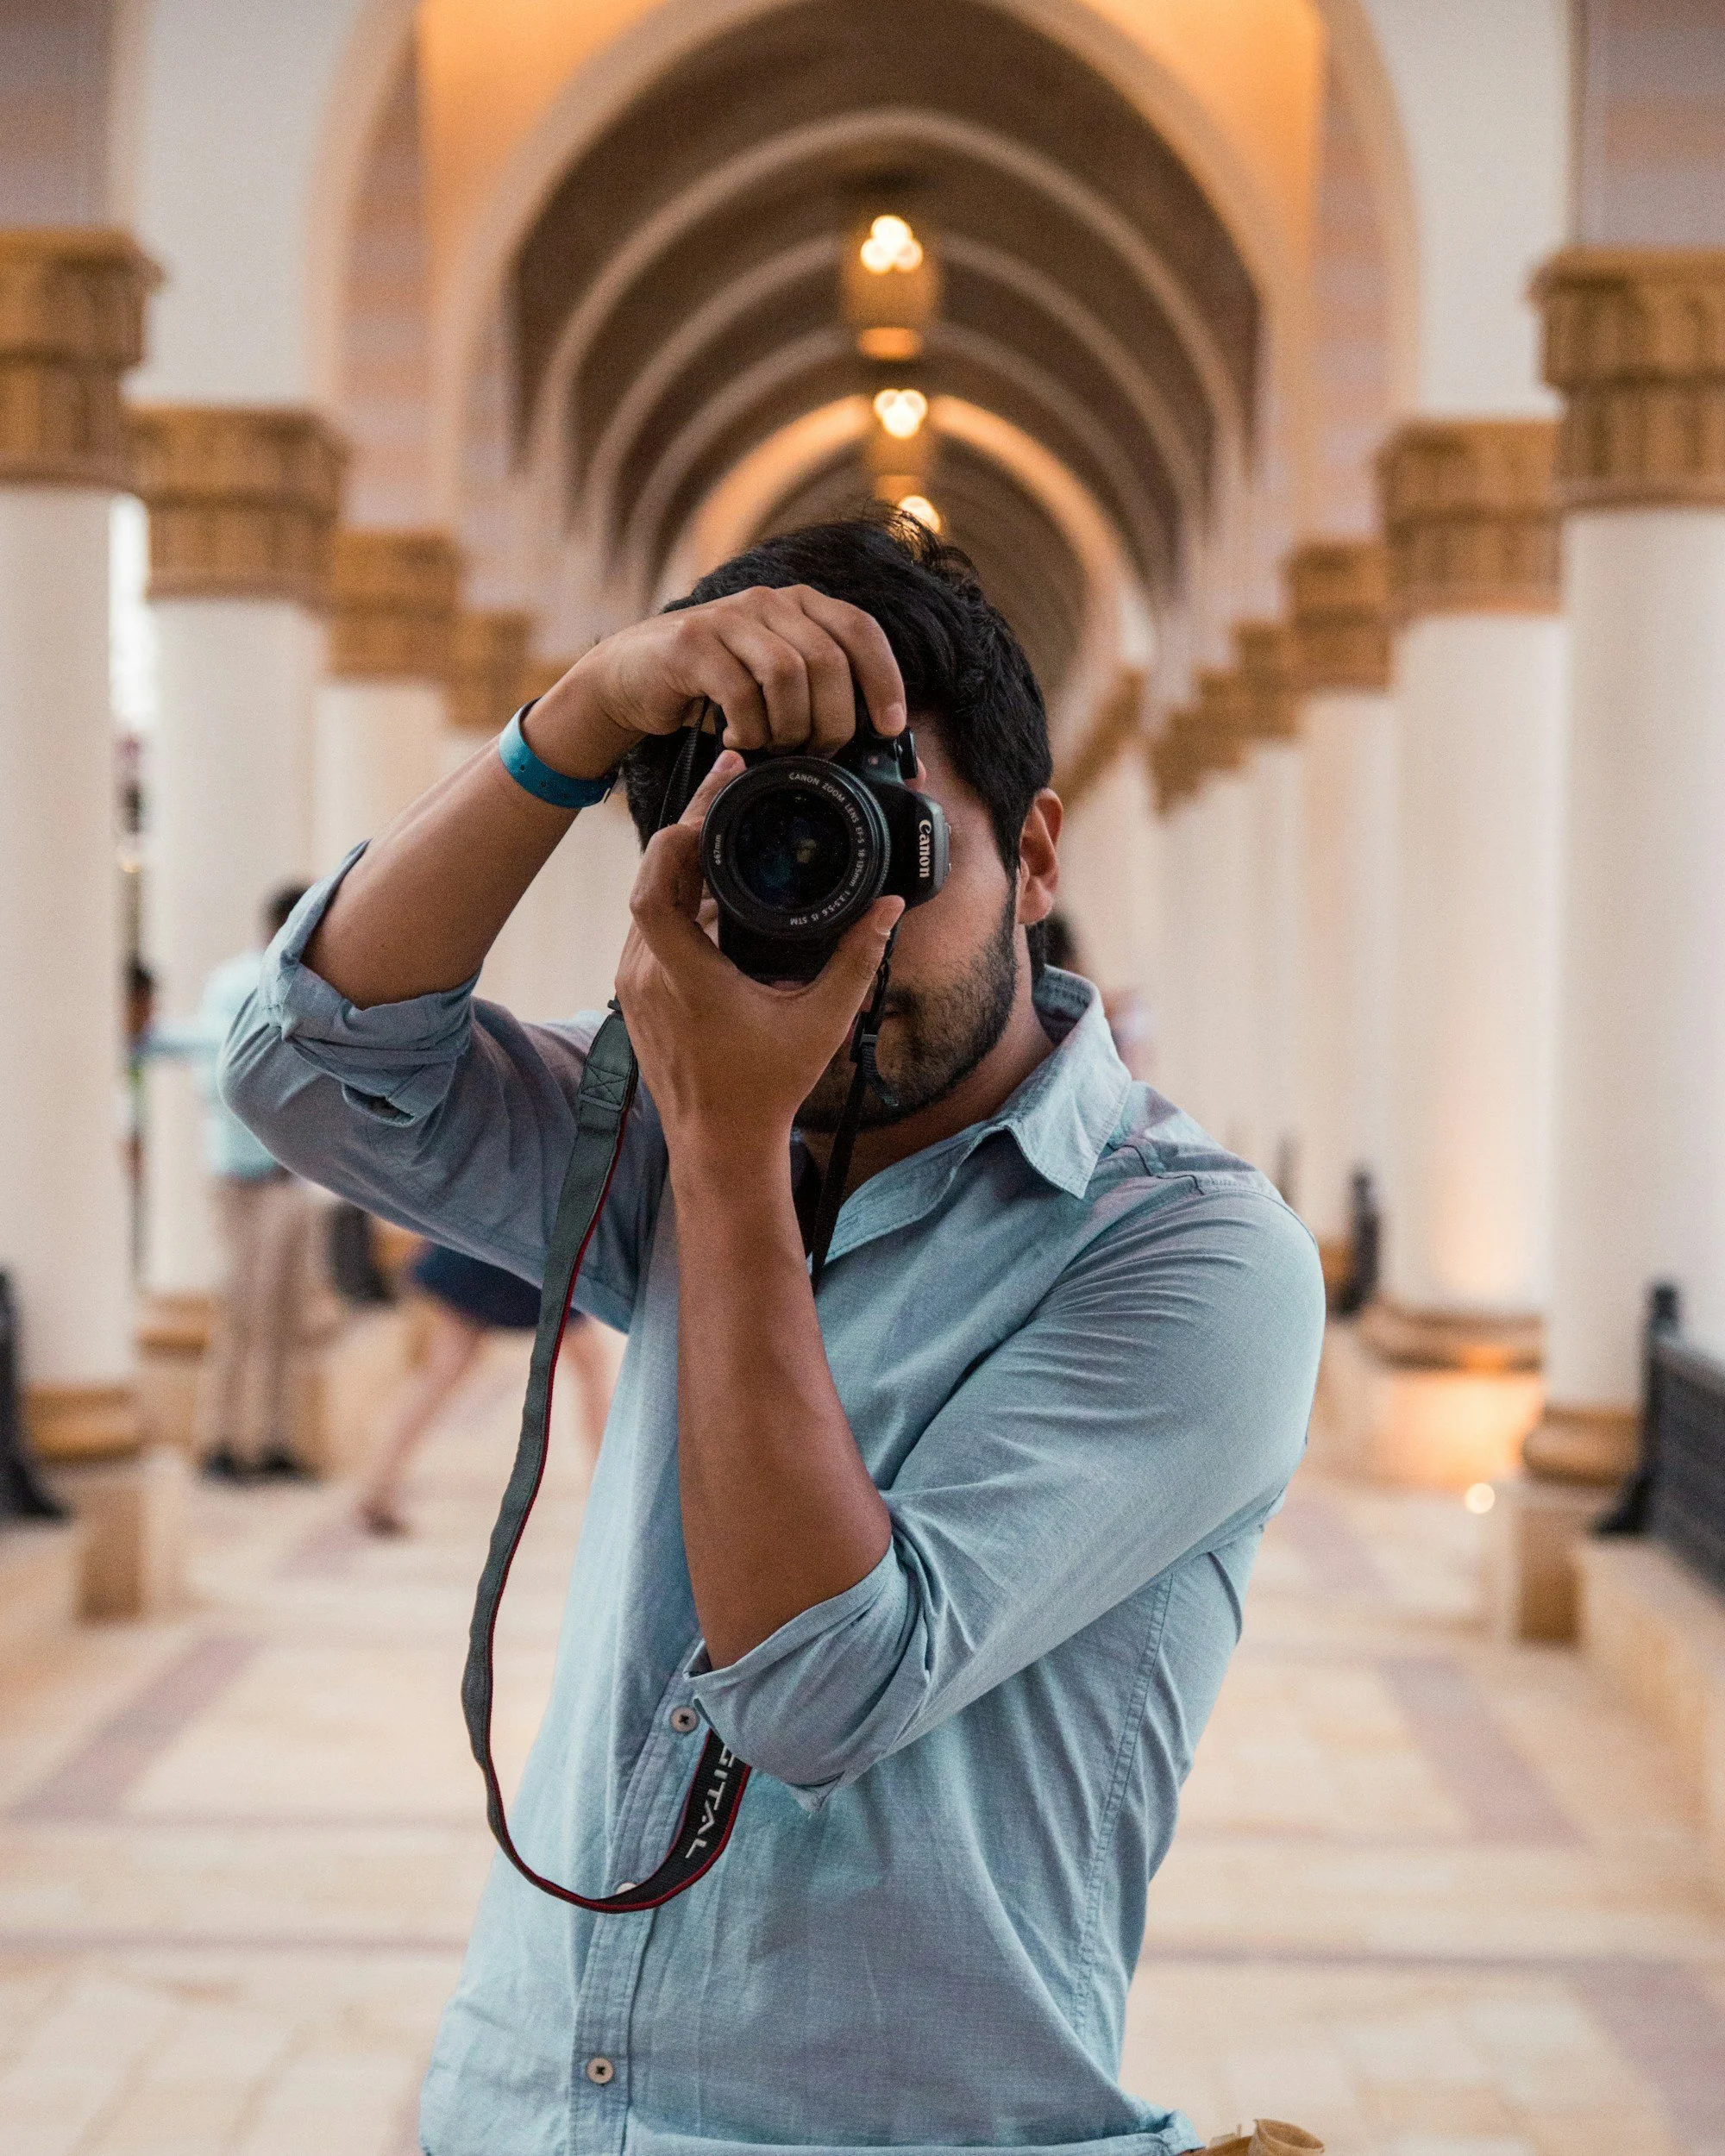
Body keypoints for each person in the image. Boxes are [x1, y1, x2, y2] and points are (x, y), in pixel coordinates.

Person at [223, 517, 1324, 2156]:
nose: (842, 916)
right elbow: (306, 1067)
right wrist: (577, 718)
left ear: (1033, 856)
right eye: (775, 850)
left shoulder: (1188, 1253)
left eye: (894, 844)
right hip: (523, 2110)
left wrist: (732, 1148)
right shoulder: (673, 1125)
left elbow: (819, 1688)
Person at [155, 885, 317, 1482]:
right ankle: (221, 1442)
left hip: (292, 1176)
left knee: (285, 1315)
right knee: (240, 1313)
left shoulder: (314, 984)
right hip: (244, 1178)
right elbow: (222, 1061)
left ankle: (273, 1441)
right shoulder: (235, 983)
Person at [355, 1244, 614, 1535]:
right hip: (531, 1249)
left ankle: (378, 1483)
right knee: (592, 1367)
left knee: (442, 1370)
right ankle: (609, 1497)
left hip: (491, 1245)